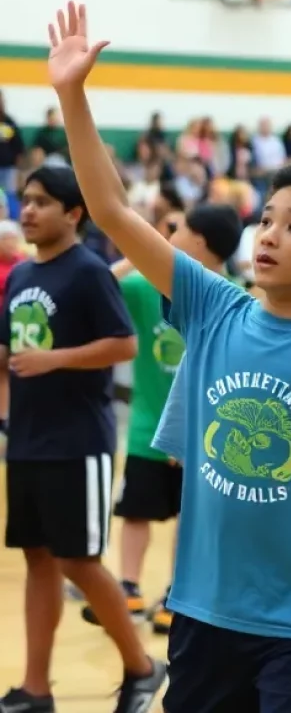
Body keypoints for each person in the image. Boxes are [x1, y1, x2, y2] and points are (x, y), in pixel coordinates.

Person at [44, 1, 291, 713]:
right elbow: (113, 211)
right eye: (267, 220)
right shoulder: (215, 306)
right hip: (201, 611)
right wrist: (72, 93)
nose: (269, 235)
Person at [0, 164, 154, 713]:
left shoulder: (87, 272)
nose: (30, 210)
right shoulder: (20, 277)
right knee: (39, 559)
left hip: (78, 443)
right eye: (26, 199)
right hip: (27, 442)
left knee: (79, 563)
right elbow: (7, 358)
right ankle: (35, 688)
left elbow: (123, 345)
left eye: (42, 201)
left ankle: (141, 667)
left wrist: (54, 360)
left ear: (74, 213)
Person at [80, 203, 243, 636]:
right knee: (135, 511)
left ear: (201, 241)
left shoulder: (232, 298)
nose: (168, 233)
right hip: (145, 429)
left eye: (178, 228)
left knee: (192, 518)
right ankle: (129, 586)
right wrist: (139, 251)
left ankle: (176, 592)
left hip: (203, 435)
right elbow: (96, 286)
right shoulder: (146, 286)